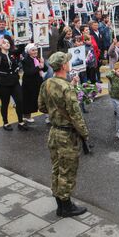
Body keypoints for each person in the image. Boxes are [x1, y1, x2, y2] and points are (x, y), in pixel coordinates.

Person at [38, 51, 89, 218]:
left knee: (57, 169)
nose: (70, 63)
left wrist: (55, 113)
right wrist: (85, 134)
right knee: (68, 171)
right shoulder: (66, 88)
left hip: (54, 132)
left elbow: (42, 107)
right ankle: (66, 207)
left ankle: (60, 205)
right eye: (68, 61)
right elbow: (76, 115)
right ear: (63, 66)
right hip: (67, 135)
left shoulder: (47, 83)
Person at [0, 37, 28, 131]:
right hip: (3, 83)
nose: (7, 44)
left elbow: (20, 49)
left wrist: (22, 36)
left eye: (8, 43)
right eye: (4, 43)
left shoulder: (12, 53)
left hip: (14, 81)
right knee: (5, 103)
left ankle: (20, 122)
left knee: (20, 101)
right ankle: (5, 122)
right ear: (0, 46)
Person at [21, 44, 47, 123]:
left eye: (36, 50)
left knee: (42, 99)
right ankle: (26, 116)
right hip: (29, 84)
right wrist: (39, 66)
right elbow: (29, 72)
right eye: (33, 50)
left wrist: (43, 62)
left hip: (38, 82)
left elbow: (45, 69)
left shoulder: (38, 58)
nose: (35, 52)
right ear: (28, 52)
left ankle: (48, 115)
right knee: (29, 100)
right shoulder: (25, 60)